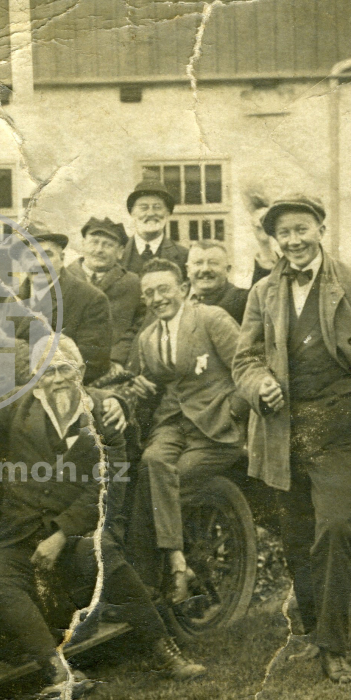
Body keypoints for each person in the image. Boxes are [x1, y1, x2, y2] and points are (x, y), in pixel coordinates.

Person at [0, 335, 206, 694]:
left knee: (101, 555)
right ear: (34, 379)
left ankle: (164, 649)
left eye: (64, 369)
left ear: (79, 371)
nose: (57, 379)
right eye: (47, 373)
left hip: (84, 527)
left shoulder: (105, 416)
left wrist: (61, 534)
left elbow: (107, 488)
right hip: (24, 528)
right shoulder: (22, 405)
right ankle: (57, 673)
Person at [233, 195, 351, 684]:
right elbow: (244, 359)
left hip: (337, 430)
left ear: (321, 228)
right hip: (282, 431)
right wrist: (258, 383)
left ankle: (334, 646)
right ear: (274, 240)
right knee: (296, 536)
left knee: (334, 531)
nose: (294, 240)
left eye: (302, 228)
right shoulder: (263, 293)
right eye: (283, 233)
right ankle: (310, 627)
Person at [122, 258, 250, 603]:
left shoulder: (210, 319)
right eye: (149, 293)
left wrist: (235, 412)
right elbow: (154, 382)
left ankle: (157, 577)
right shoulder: (148, 337)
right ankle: (178, 563)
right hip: (173, 424)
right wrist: (139, 386)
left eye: (164, 289)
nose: (157, 297)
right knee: (150, 463)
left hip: (216, 429)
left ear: (183, 289)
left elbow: (249, 367)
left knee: (164, 485)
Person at [14, 222, 114, 385]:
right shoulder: (11, 299)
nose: (39, 263)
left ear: (62, 259)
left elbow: (94, 364)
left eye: (47, 254)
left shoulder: (90, 299)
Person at [68, 216, 142, 384]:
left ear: (120, 252)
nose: (99, 250)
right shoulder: (64, 278)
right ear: (83, 244)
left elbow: (139, 325)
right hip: (68, 368)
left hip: (113, 370)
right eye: (94, 242)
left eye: (108, 245)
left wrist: (117, 358)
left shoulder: (132, 283)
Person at [122, 179, 189, 276]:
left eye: (157, 207)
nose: (150, 213)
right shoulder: (118, 253)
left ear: (167, 213)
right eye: (143, 208)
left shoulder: (184, 255)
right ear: (132, 212)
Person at [186, 238, 250, 323]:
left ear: (227, 269)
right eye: (198, 263)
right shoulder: (179, 299)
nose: (205, 269)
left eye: (213, 263)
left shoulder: (241, 299)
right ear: (188, 270)